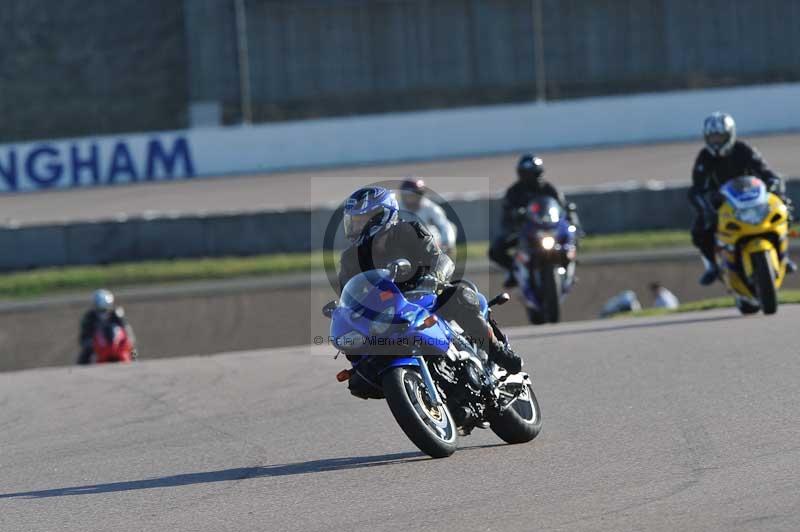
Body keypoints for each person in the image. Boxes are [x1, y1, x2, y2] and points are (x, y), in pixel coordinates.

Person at [338, 186, 521, 373]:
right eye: (353, 221)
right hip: (389, 313)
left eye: (361, 220)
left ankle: (496, 350)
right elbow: (348, 292)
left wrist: (434, 277)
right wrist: (343, 308)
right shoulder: (350, 257)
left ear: (380, 216)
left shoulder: (411, 230)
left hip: (425, 295)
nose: (355, 226)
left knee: (459, 294)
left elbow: (440, 259)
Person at [689, 112, 793, 285]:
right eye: (713, 137)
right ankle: (713, 266)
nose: (716, 141)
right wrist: (705, 203)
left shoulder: (743, 150)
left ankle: (784, 256)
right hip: (722, 205)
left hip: (753, 200)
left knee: (783, 212)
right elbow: (697, 187)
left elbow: (766, 172)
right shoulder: (704, 158)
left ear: (730, 135)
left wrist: (775, 186)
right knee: (699, 231)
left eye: (720, 137)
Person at [488, 153, 577, 287]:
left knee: (572, 238)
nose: (532, 178)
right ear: (521, 174)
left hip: (550, 229)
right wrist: (514, 218)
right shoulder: (514, 192)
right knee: (495, 250)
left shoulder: (549, 189)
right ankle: (514, 272)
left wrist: (572, 223)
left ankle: (569, 270)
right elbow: (506, 213)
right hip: (526, 231)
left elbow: (563, 207)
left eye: (534, 174)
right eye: (527, 174)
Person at [397, 178, 457, 253]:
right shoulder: (397, 208)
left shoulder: (431, 208)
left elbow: (445, 225)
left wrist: (447, 243)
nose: (410, 199)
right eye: (408, 196)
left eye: (412, 196)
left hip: (430, 246)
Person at [77, 289, 137, 364]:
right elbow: (84, 335)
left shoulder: (117, 314)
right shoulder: (89, 317)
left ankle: (135, 362)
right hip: (97, 344)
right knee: (85, 354)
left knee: (133, 349)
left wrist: (129, 338)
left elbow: (126, 327)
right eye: (100, 309)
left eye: (105, 308)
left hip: (115, 343)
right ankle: (80, 368)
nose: (103, 312)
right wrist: (89, 342)